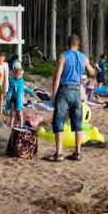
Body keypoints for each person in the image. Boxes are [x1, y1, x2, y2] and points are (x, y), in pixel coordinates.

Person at [47, 33, 89, 163]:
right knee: (78, 122)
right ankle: (78, 152)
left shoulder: (63, 56)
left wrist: (53, 94)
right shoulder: (83, 57)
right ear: (78, 44)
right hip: (77, 91)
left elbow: (57, 76)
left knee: (58, 121)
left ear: (67, 43)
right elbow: (92, 71)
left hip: (64, 90)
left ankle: (59, 153)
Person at [4, 62, 28, 127]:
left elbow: (24, 89)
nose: (18, 76)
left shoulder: (21, 81)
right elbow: (9, 90)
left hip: (19, 99)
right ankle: (11, 124)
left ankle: (21, 125)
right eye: (17, 74)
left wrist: (31, 91)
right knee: (13, 113)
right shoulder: (12, 81)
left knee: (20, 112)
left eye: (19, 75)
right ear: (14, 74)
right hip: (12, 99)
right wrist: (7, 96)